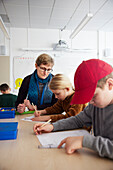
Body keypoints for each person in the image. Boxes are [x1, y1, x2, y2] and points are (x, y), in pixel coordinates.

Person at [33, 59, 113, 159]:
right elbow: (78, 120)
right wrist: (53, 127)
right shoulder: (95, 105)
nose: (90, 102)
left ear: (110, 85)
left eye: (93, 96)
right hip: (98, 158)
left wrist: (84, 141)